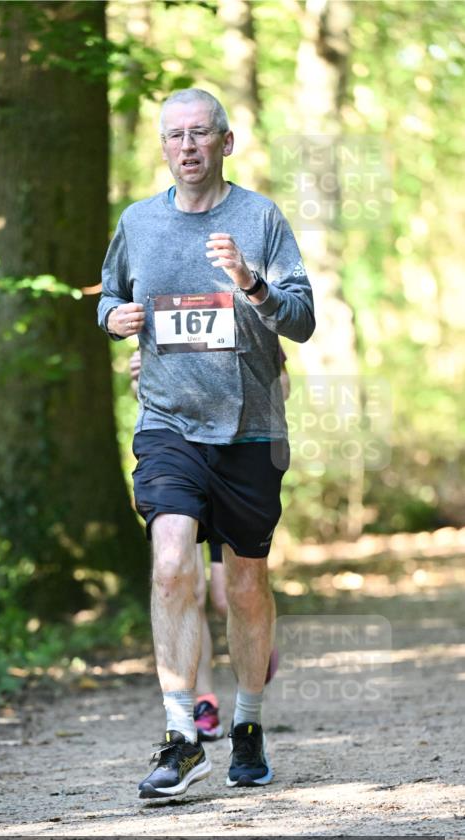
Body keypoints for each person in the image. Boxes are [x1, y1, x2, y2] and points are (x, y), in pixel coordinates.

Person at [99, 89, 314, 800]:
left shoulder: (258, 218)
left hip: (249, 425)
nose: (186, 146)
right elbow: (108, 296)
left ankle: (247, 725)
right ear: (162, 147)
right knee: (169, 566)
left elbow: (303, 318)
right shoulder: (137, 223)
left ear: (226, 141)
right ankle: (180, 736)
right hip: (167, 422)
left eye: (200, 134)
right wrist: (115, 319)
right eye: (174, 136)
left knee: (244, 587)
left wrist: (251, 283)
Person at [129, 345, 288, 743]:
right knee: (182, 581)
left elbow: (282, 382)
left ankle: (256, 647)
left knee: (227, 594)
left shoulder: (243, 304)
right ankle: (203, 702)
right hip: (180, 459)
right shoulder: (156, 310)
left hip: (237, 455)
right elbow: (145, 391)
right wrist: (140, 376)